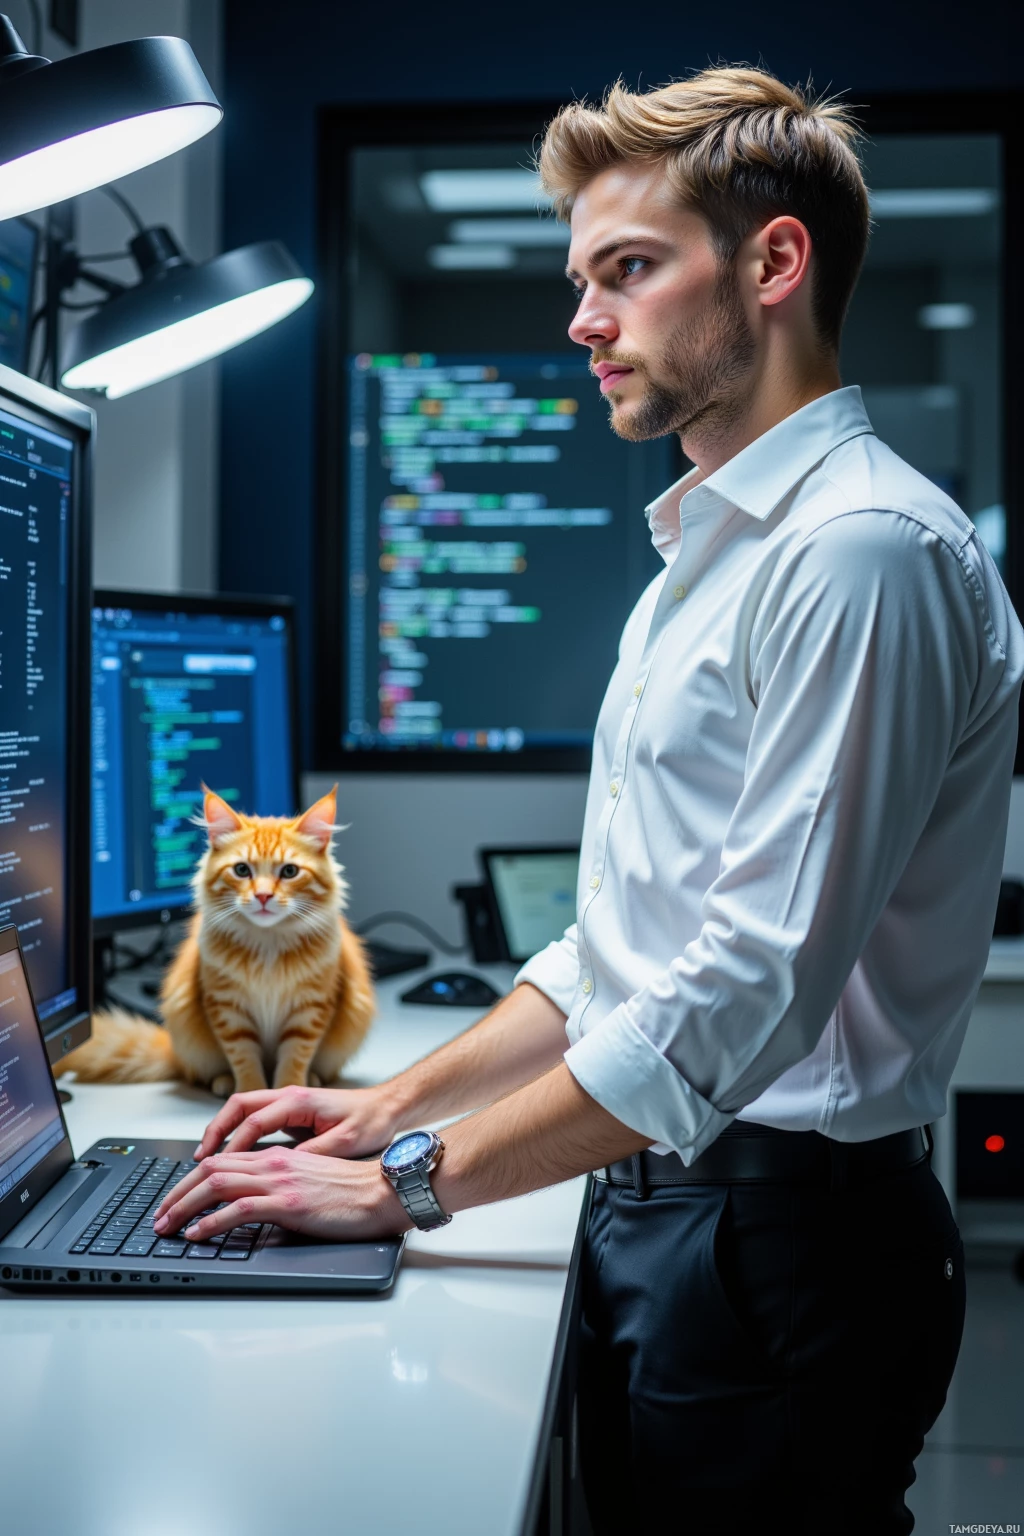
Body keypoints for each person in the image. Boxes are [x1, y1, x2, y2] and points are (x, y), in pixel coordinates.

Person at [153, 66, 1024, 1533]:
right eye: (581, 277)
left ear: (773, 263)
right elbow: (622, 958)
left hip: (781, 1240)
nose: (583, 322)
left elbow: (743, 989)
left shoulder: (860, 554)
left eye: (627, 269)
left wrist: (413, 1187)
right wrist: (383, 1114)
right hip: (674, 1197)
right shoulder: (711, 549)